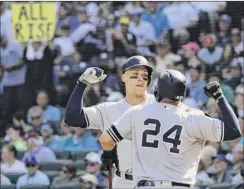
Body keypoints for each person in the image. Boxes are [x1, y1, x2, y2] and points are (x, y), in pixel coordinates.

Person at [99, 69, 241, 188]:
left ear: (157, 90)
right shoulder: (194, 116)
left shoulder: (137, 112)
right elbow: (234, 131)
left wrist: (108, 156)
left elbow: (106, 140)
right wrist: (219, 97)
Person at [64, 56, 155, 188]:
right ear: (124, 78)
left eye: (145, 76)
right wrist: (82, 83)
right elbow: (72, 117)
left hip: (155, 180)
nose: (141, 78)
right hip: (123, 180)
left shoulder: (161, 106)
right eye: (134, 74)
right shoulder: (109, 109)